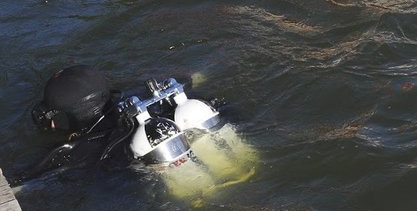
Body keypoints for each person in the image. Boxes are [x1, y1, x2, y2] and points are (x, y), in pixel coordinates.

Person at [20, 65, 256, 203]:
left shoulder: (76, 152)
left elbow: (26, 182)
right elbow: (190, 77)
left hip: (152, 185)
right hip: (193, 128)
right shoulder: (144, 98)